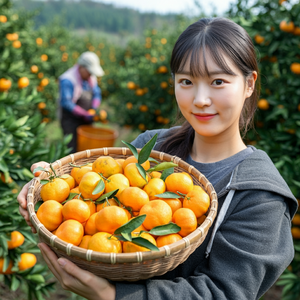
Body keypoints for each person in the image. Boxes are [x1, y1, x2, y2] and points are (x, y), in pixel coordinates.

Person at [17, 17, 297, 300]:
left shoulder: (260, 197)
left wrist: (113, 296)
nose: (200, 98)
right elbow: (92, 212)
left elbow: (222, 292)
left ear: (249, 84)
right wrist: (48, 193)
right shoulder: (150, 148)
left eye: (218, 81)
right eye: (186, 81)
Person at [58, 51, 105, 153]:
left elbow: (96, 93)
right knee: (72, 149)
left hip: (86, 119)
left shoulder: (90, 78)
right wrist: (84, 113)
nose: (90, 75)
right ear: (81, 67)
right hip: (71, 120)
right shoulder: (68, 79)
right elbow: (66, 102)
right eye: (89, 72)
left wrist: (94, 108)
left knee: (87, 148)